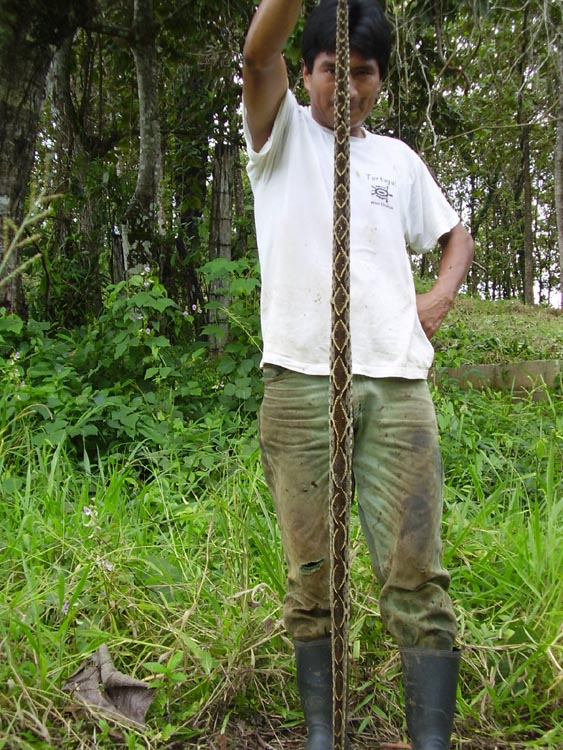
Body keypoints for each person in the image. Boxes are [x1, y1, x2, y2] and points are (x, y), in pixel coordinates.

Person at [242, 0, 474, 747]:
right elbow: (257, 56)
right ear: (307, 71)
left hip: (396, 387)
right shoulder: (279, 137)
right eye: (331, 70)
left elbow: (455, 235)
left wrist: (438, 296)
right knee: (311, 572)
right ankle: (323, 734)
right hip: (301, 382)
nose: (347, 88)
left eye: (364, 73)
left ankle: (429, 740)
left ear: (381, 79)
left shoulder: (397, 161)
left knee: (416, 572)